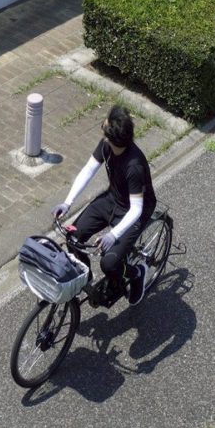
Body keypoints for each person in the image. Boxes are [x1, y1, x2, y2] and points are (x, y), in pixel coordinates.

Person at [53, 104, 156, 303]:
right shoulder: (106, 145)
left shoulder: (133, 166)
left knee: (109, 264)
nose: (102, 127)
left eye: (104, 126)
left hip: (134, 210)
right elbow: (88, 170)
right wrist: (67, 203)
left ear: (113, 138)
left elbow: (136, 208)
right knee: (73, 237)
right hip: (113, 199)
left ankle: (136, 273)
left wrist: (113, 234)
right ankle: (86, 280)